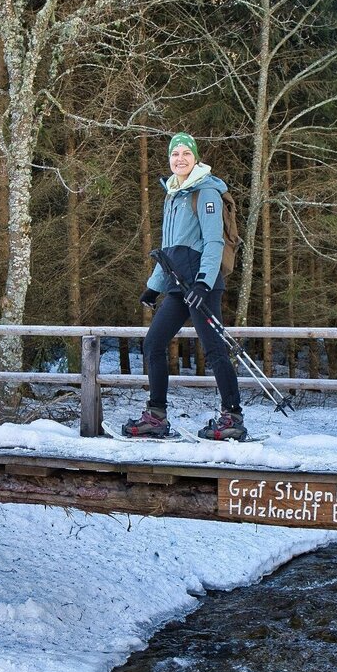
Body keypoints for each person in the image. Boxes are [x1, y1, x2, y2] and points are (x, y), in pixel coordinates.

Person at [123, 132, 246, 441]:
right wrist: (155, 286)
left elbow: (214, 242)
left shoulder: (205, 192)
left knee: (214, 350)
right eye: (175, 154)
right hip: (178, 288)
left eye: (186, 153)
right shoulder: (173, 194)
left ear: (195, 157)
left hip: (202, 286)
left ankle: (232, 417)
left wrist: (204, 283)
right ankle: (156, 416)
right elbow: (169, 250)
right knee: (153, 344)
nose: (180, 159)